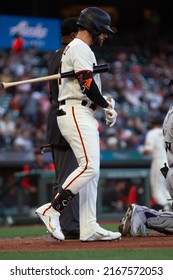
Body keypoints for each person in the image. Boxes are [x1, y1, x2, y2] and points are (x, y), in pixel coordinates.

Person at [36, 7, 121, 242]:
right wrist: (105, 105)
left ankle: (89, 226)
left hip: (82, 110)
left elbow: (88, 85)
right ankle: (51, 209)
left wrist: (104, 104)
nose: (104, 36)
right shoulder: (80, 47)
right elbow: (86, 82)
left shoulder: (79, 48)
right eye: (103, 31)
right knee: (89, 167)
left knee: (92, 173)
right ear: (93, 27)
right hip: (75, 110)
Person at [45, 17, 79, 239]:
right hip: (66, 116)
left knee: (61, 178)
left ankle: (58, 223)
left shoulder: (57, 53)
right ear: (76, 34)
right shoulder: (70, 54)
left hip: (56, 118)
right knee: (69, 177)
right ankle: (69, 226)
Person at [143, 116, 172, 211]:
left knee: (157, 188)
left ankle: (165, 207)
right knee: (166, 187)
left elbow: (148, 151)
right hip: (169, 162)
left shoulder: (152, 133)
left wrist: (141, 150)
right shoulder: (167, 132)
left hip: (159, 162)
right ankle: (169, 204)